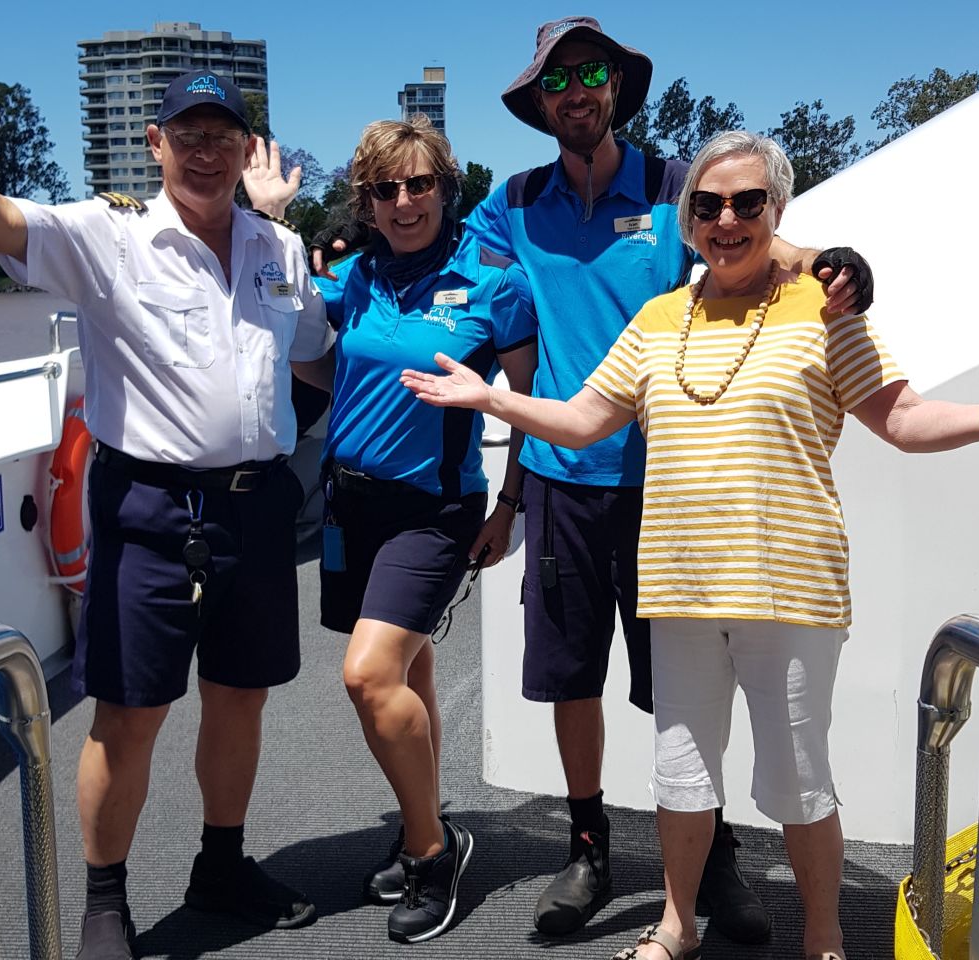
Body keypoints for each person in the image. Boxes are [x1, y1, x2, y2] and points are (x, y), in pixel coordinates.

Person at [400, 129, 979, 960]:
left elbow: (902, 418)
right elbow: (586, 418)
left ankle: (823, 935)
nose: (727, 221)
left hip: (790, 592)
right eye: (708, 205)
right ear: (687, 220)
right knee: (681, 776)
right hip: (681, 591)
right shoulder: (660, 319)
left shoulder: (824, 310)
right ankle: (676, 926)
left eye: (747, 203)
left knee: (799, 780)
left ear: (777, 210)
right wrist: (494, 400)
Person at [315, 16, 869, 942]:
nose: (575, 91)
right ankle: (588, 845)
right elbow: (432, 247)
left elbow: (749, 240)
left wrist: (831, 265)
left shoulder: (674, 187)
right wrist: (342, 258)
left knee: (682, 690)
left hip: (667, 484)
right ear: (539, 102)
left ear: (616, 87)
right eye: (558, 79)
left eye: (591, 74)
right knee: (572, 678)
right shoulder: (513, 203)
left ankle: (713, 857)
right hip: (561, 475)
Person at [0, 60, 333, 960]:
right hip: (151, 510)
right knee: (128, 714)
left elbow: (314, 356)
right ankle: (106, 903)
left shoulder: (281, 251)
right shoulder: (110, 238)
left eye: (224, 137)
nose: (207, 153)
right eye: (189, 136)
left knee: (241, 698)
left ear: (245, 149)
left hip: (259, 509)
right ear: (156, 145)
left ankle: (221, 867)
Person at [258, 116, 537, 943]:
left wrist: (511, 506)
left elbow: (528, 404)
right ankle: (426, 815)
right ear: (367, 201)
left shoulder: (493, 282)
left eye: (419, 185)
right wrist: (272, 221)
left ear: (446, 190)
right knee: (410, 669)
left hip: (432, 512)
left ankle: (431, 850)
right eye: (386, 189)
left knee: (368, 675)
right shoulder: (356, 277)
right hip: (352, 507)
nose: (404, 201)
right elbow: (309, 349)